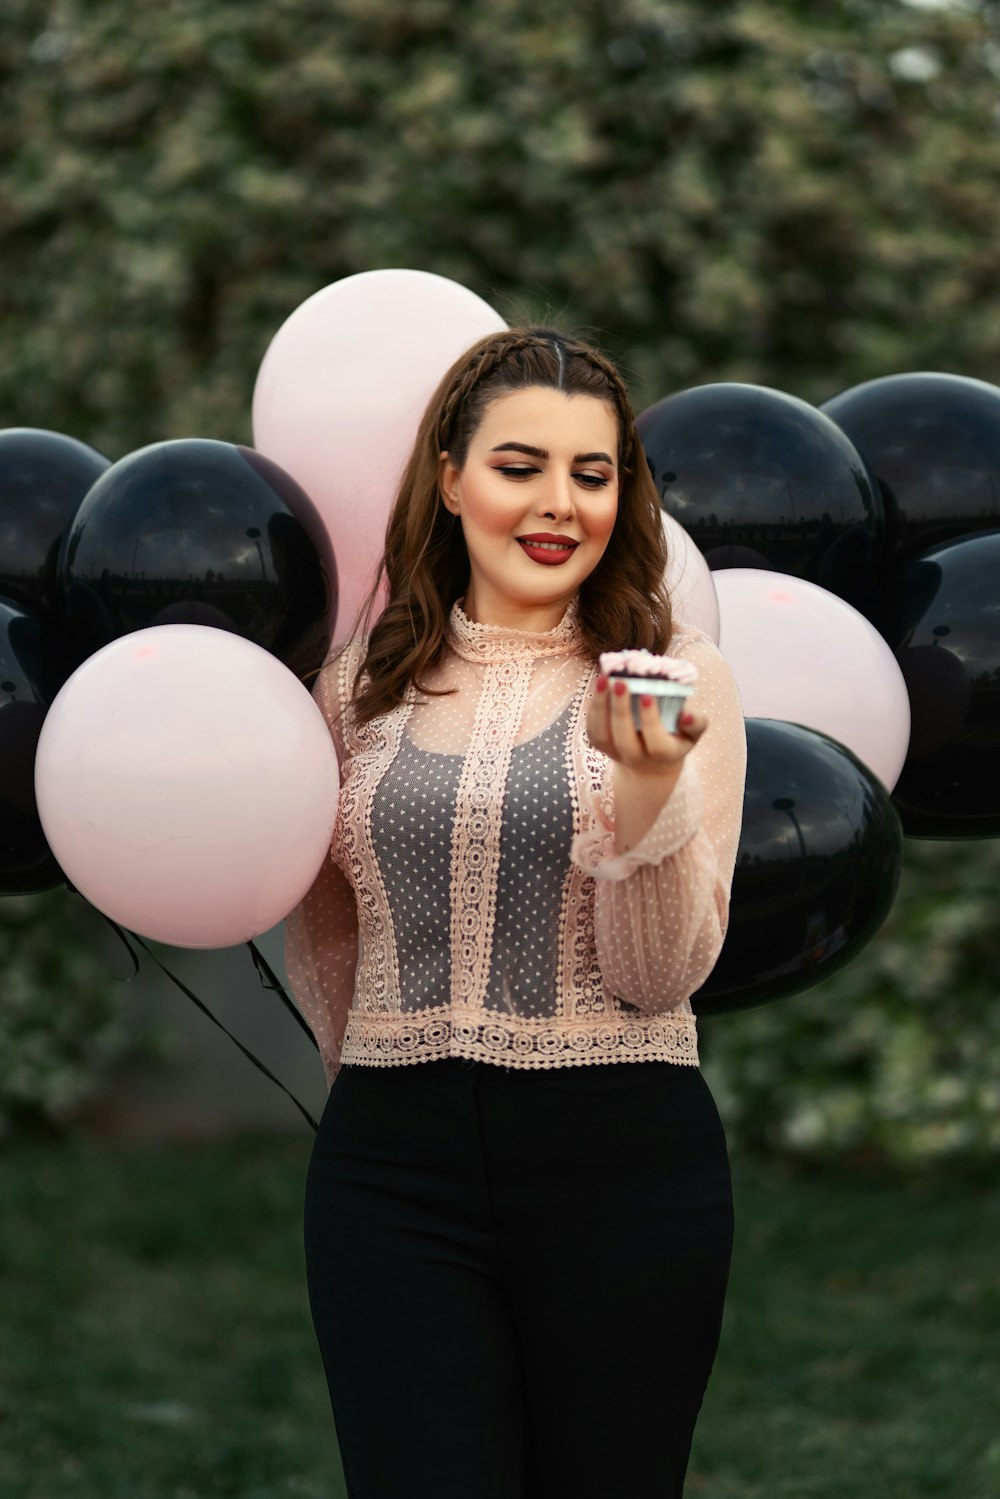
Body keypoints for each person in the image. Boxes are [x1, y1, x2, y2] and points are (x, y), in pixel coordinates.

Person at [284, 326, 747, 1499]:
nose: (558, 504)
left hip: (623, 1162)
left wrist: (643, 793)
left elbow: (659, 978)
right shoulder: (355, 683)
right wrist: (370, 1107)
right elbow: (329, 935)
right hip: (391, 1167)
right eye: (519, 465)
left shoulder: (673, 670)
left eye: (592, 474)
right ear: (449, 478)